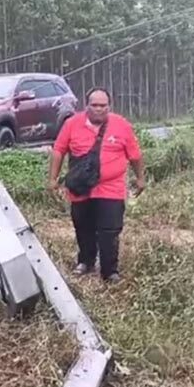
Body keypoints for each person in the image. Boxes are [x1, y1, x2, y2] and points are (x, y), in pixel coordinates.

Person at [47, 87, 146, 283]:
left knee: (109, 230)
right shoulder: (72, 124)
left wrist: (140, 178)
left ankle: (110, 270)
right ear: (87, 106)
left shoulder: (121, 125)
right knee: (83, 226)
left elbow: (135, 155)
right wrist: (53, 180)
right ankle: (86, 261)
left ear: (109, 106)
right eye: (94, 105)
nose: (99, 109)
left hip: (111, 188)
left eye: (103, 106)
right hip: (81, 188)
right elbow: (58, 150)